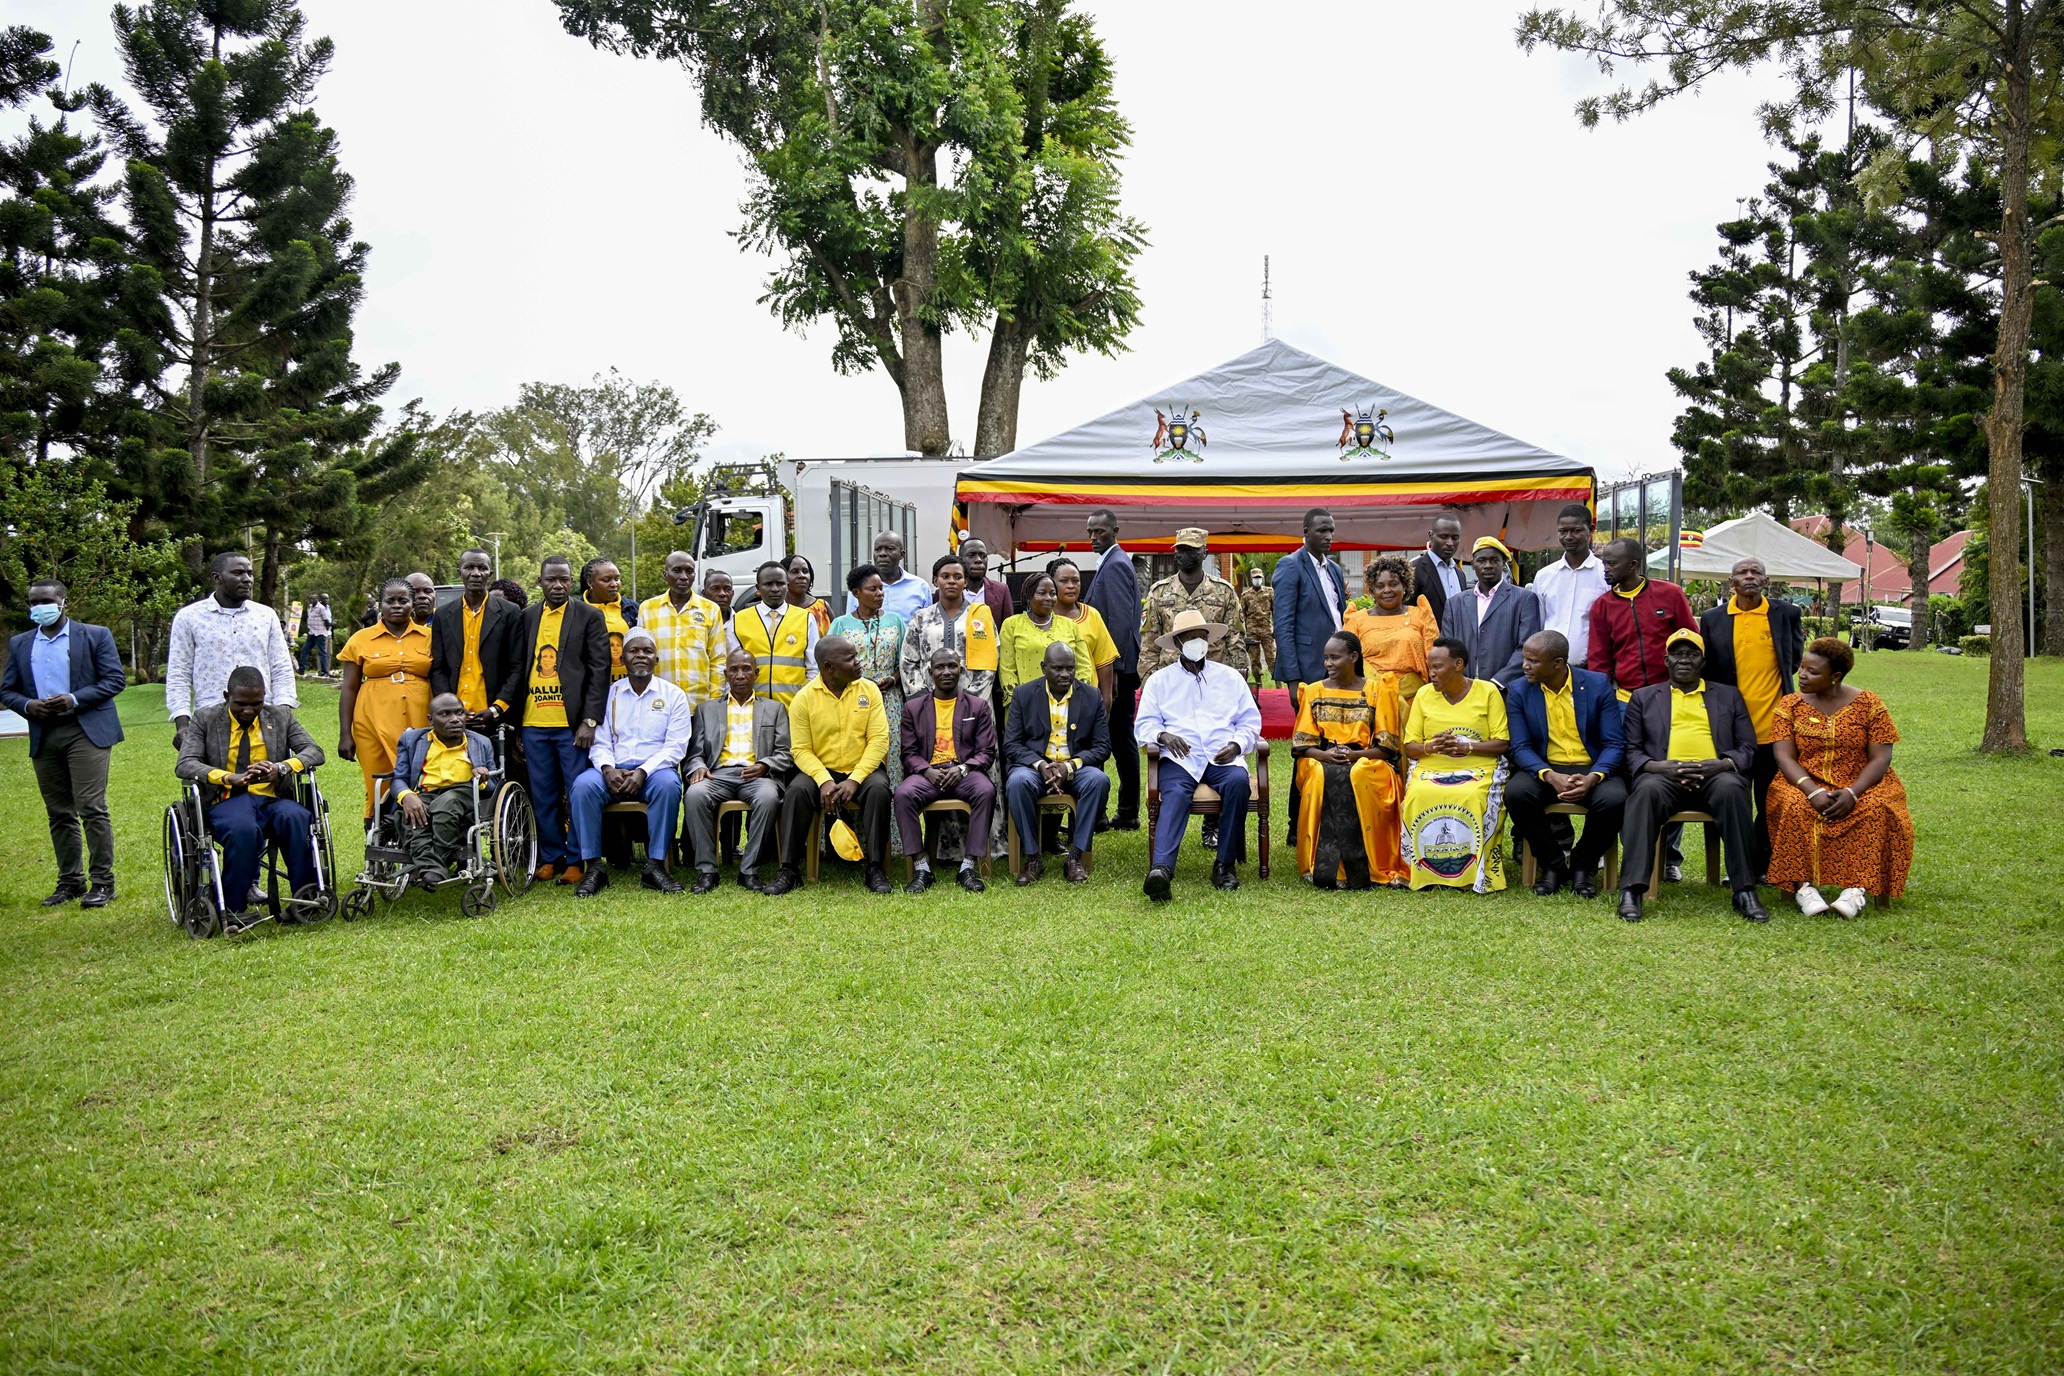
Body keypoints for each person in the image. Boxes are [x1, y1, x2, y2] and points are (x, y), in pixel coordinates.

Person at [1617, 629, 1768, 923]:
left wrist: (1720, 764)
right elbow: (1630, 750)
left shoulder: (1729, 695)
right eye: (1677, 654)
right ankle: (1632, 890)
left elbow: (1748, 748)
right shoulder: (1644, 697)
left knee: (1733, 790)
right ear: (1666, 660)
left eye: (1691, 654)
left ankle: (1744, 890)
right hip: (1663, 776)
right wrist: (1660, 767)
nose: (1683, 660)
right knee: (1644, 792)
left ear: (1703, 661)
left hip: (1716, 775)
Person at [1765, 638, 1913, 916]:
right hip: (1803, 780)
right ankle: (1804, 889)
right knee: (1794, 806)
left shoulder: (1869, 703)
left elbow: (1881, 757)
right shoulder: (1790, 704)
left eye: (1813, 671)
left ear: (1835, 677)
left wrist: (1853, 792)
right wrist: (1811, 791)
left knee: (1876, 808)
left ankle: (1855, 891)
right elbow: (1784, 756)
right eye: (1802, 667)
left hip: (1860, 782)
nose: (1802, 675)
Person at [173, 665, 325, 929]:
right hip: (225, 802)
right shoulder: (205, 718)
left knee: (298, 817)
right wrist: (226, 777)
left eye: (256, 703)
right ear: (226, 696)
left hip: (271, 800)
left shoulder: (279, 716)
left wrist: (281, 768)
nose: (248, 710)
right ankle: (233, 908)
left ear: (264, 697)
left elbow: (314, 751)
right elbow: (185, 764)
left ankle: (306, 900)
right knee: (243, 827)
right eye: (241, 704)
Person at [4, 578, 125, 908]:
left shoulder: (95, 635)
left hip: (86, 729)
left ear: (63, 602)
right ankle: (70, 882)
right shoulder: (20, 643)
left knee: (90, 806)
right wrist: (28, 705)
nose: (38, 607)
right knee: (58, 812)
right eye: (32, 602)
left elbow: (115, 680)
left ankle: (103, 882)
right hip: (44, 732)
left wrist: (74, 698)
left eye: (45, 600)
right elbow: (7, 689)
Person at [1586, 536, 1697, 878]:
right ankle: (1619, 853)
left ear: (1633, 566)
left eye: (1611, 564)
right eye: (1604, 562)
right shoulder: (1602, 606)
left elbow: (1691, 643)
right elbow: (1599, 661)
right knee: (1625, 777)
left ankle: (1668, 859)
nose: (1605, 569)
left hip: (1670, 700)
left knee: (1670, 770)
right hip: (1624, 702)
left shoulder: (1670, 595)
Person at [1135, 609, 1263, 900]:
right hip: (1181, 758)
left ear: (1209, 640)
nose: (1197, 642)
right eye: (1190, 638)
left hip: (1222, 755)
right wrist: (1163, 735)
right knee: (1176, 794)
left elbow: (1249, 721)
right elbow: (1144, 724)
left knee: (1237, 784)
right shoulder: (1159, 681)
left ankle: (1224, 865)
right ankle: (1161, 871)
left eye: (1201, 637)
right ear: (1178, 643)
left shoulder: (1230, 678)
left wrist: (1237, 744)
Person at [1698, 556, 1805, 878]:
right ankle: (1738, 867)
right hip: (1732, 733)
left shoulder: (1786, 614)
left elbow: (1794, 661)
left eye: (1755, 572)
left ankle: (1761, 865)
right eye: (1742, 573)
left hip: (1777, 730)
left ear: (1766, 580)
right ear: (1731, 582)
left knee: (1772, 802)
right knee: (1735, 802)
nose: (1749, 577)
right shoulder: (1713, 619)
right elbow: (1712, 669)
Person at [507, 556, 612, 884]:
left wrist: (590, 720)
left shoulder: (589, 616)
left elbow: (600, 671)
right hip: (534, 722)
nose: (558, 585)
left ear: (572, 582)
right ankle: (551, 856)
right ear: (540, 582)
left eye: (564, 580)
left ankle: (577, 859)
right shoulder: (527, 617)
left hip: (572, 725)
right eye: (551, 579)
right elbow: (519, 666)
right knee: (544, 793)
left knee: (576, 791)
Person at [568, 628, 692, 896]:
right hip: (613, 769)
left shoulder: (674, 695)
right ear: (622, 659)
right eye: (634, 650)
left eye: (647, 651)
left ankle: (655, 866)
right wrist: (608, 768)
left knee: (669, 786)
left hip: (655, 772)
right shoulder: (608, 695)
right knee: (583, 785)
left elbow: (675, 746)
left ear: (656, 660)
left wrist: (644, 772)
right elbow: (600, 741)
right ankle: (594, 868)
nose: (641, 656)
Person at [766, 634, 893, 896]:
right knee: (796, 792)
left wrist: (855, 779)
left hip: (863, 770)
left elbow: (879, 741)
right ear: (828, 667)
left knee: (880, 790)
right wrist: (824, 780)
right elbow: (800, 749)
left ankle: (875, 867)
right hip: (820, 771)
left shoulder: (869, 691)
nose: (859, 663)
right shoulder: (804, 698)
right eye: (850, 659)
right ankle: (788, 869)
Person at [1503, 630, 1626, 899]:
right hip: (1545, 769)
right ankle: (1553, 865)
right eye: (1525, 659)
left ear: (1558, 663)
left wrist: (1594, 777)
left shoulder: (1597, 685)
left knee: (1615, 798)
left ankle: (1584, 865)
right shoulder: (1519, 690)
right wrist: (1548, 775)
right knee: (1516, 793)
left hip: (1591, 767)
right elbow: (1520, 747)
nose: (1525, 666)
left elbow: (1614, 743)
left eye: (1533, 661)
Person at [1291, 631, 1406, 889]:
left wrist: (1355, 756)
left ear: (1353, 657)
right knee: (1320, 774)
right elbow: (1302, 744)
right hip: (1320, 757)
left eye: (1335, 658)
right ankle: (1324, 867)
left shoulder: (1378, 691)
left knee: (1361, 773)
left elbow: (1387, 748)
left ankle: (1368, 867)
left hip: (1367, 758)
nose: (1328, 664)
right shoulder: (1313, 691)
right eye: (1326, 658)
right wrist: (1325, 755)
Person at [1399, 637, 1511, 892]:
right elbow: (1411, 746)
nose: (1431, 673)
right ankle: (1424, 873)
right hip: (1433, 766)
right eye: (1429, 667)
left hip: (1479, 767)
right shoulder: (1424, 694)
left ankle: (1473, 875)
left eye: (1437, 667)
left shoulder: (1487, 692)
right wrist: (1432, 747)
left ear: (1458, 664)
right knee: (1419, 793)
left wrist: (1467, 747)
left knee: (1471, 794)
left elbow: (1501, 743)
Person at [684, 650, 794, 893]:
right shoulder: (707, 709)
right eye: (734, 670)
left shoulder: (775, 709)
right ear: (725, 675)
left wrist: (765, 765)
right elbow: (695, 753)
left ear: (756, 673)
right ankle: (707, 871)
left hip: (758, 774)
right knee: (694, 795)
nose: (740, 675)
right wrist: (699, 767)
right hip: (717, 775)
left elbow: (785, 752)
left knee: (767, 797)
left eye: (746, 669)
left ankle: (749, 870)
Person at [1003, 643, 1111, 886]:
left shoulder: (1092, 696)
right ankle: (1033, 858)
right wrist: (1041, 765)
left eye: (1070, 668)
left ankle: (1074, 857)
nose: (1065, 675)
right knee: (1018, 782)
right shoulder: (1024, 694)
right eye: (1058, 669)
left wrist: (1069, 767)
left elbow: (1102, 747)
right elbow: (1011, 744)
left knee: (1098, 780)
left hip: (1075, 769)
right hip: (1036, 769)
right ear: (1044, 668)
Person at [166, 551, 298, 744]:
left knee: (266, 773)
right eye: (238, 573)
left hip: (262, 719)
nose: (247, 579)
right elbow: (179, 673)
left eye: (250, 573)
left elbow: (281, 667)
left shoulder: (266, 616)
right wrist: (182, 723)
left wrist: (282, 712)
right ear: (217, 578)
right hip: (209, 719)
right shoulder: (189, 618)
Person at [897, 647, 999, 893]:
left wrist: (963, 768)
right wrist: (926, 771)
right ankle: (922, 867)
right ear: (929, 672)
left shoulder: (977, 707)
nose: (946, 672)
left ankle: (968, 867)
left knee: (985, 790)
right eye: (940, 667)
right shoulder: (913, 708)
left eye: (952, 666)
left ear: (961, 669)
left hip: (963, 773)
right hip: (928, 776)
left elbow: (986, 752)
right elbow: (908, 753)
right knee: (902, 795)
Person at [336, 578, 435, 820]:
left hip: (420, 719)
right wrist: (345, 734)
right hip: (372, 722)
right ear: (380, 604)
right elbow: (349, 688)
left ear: (413, 604)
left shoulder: (431, 636)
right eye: (390, 601)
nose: (397, 605)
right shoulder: (361, 639)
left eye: (403, 600)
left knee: (421, 779)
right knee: (377, 782)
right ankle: (376, 835)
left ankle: (420, 837)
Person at [829, 563, 909, 855]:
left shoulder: (896, 622)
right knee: (855, 761)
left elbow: (906, 662)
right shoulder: (840, 625)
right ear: (856, 593)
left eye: (881, 589)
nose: (879, 594)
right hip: (852, 703)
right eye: (872, 589)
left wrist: (893, 678)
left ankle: (893, 844)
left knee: (891, 767)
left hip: (889, 703)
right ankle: (851, 844)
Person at [388, 693, 497, 887]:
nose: (454, 719)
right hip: (427, 792)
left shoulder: (480, 742)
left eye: (459, 713)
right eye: (445, 714)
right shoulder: (413, 739)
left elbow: (493, 787)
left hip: (465, 792)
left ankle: (431, 866)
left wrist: (482, 778)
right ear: (431, 720)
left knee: (447, 803)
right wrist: (407, 796)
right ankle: (433, 870)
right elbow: (398, 779)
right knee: (411, 814)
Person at [1083, 508, 1143, 829]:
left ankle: (1126, 812)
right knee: (1118, 739)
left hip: (1117, 671)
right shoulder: (1110, 562)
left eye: (1100, 532)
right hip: (1114, 669)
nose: (1093, 537)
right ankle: (1116, 811)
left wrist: (1114, 673)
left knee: (1118, 740)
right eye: (1090, 531)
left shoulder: (1117, 565)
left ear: (1115, 531)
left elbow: (1119, 623)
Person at [429, 548, 523, 732]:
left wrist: (496, 708)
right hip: (455, 719)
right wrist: (450, 710)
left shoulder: (510, 612)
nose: (476, 573)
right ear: (459, 573)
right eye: (469, 567)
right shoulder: (443, 615)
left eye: (482, 568)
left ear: (490, 573)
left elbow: (518, 666)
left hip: (494, 715)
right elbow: (438, 668)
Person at [1138, 528, 1245, 679]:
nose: (1185, 555)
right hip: (1171, 677)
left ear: (1205, 553)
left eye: (1192, 550)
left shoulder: (1224, 591)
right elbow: (1149, 645)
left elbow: (1235, 642)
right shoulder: (1159, 592)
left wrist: (1237, 680)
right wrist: (1149, 682)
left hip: (1214, 677)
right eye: (1181, 549)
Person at [1437, 536, 1541, 690]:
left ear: (1503, 564)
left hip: (1507, 690)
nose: (1488, 565)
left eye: (1494, 560)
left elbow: (1527, 647)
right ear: (1472, 564)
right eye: (1481, 560)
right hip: (1463, 690)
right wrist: (1461, 682)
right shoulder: (1455, 603)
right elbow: (1446, 648)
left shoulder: (1524, 599)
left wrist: (1498, 682)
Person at [898, 554, 999, 703]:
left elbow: (989, 662)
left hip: (974, 705)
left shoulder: (980, 617)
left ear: (965, 582)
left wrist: (971, 701)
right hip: (929, 704)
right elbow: (908, 661)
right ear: (935, 580)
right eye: (945, 576)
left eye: (957, 577)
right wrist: (922, 698)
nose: (951, 581)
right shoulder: (921, 618)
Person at [1271, 507, 1349, 698]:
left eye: (1331, 531)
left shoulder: (1335, 569)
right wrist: (1293, 678)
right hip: (1308, 668)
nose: (1329, 536)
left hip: (1341, 666)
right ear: (1306, 532)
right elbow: (1283, 625)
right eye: (1322, 530)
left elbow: (1339, 616)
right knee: (1309, 728)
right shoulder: (1290, 565)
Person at [997, 572, 1092, 724]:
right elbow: (1007, 669)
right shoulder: (1012, 625)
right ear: (1028, 596)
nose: (1049, 598)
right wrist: (1019, 703)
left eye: (1053, 594)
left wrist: (1076, 700)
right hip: (1025, 708)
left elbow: (1084, 666)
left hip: (1066, 706)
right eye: (1042, 593)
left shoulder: (1070, 626)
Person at [1342, 554, 1440, 700]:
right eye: (1380, 586)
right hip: (1369, 702)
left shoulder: (1420, 615)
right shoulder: (1357, 619)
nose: (1387, 590)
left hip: (1414, 701)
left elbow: (1434, 659)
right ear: (1372, 591)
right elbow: (1345, 663)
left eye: (1393, 584)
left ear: (1405, 586)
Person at [640, 550, 726, 707]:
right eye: (677, 570)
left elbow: (718, 658)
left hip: (699, 704)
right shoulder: (647, 609)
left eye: (689, 571)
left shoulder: (711, 609)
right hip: (659, 704)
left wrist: (715, 699)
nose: (684, 577)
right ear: (665, 574)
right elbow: (642, 658)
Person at [1531, 503, 1610, 668]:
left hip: (1590, 669)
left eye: (1576, 531)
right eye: (1562, 531)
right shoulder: (1544, 576)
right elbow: (1539, 622)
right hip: (1549, 669)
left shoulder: (1605, 574)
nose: (1568, 537)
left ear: (1591, 530)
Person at [729, 560, 819, 704]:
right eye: (768, 584)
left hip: (793, 706)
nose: (775, 589)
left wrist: (806, 701)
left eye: (780, 584)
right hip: (753, 706)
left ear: (787, 586)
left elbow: (813, 668)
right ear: (758, 588)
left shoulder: (805, 618)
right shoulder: (739, 620)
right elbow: (731, 666)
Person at [1049, 557, 1119, 712]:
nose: (1071, 586)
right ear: (1051, 583)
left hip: (1086, 703)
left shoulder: (1092, 615)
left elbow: (1104, 662)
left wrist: (1105, 703)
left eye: (1075, 581)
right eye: (1064, 581)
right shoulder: (1042, 618)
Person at [579, 557, 637, 682]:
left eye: (617, 579)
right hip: (591, 688)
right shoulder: (576, 610)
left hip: (628, 687)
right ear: (590, 583)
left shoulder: (633, 609)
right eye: (606, 580)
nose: (614, 584)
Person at [860, 531, 933, 622]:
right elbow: (849, 625)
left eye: (889, 549)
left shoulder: (920, 586)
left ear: (902, 554)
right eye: (877, 549)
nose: (882, 554)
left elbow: (927, 625)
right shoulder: (860, 585)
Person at [1410, 514, 1467, 627]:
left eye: (1455, 538)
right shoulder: (1414, 570)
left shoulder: (1460, 575)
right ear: (1431, 536)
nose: (1450, 543)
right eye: (1444, 537)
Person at [959, 537, 1014, 627]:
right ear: (961, 560)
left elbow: (1008, 629)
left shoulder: (1002, 591)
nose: (979, 560)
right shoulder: (947, 591)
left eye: (983, 556)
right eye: (971, 555)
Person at [1239, 568, 1276, 687]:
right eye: (1255, 578)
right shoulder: (1245, 595)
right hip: (1252, 631)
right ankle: (1258, 684)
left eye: (1259, 577)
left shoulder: (1269, 592)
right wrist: (1242, 631)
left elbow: (1276, 611)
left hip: (1267, 630)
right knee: (1254, 660)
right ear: (1251, 578)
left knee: (1272, 658)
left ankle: (1278, 683)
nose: (1257, 580)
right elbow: (1242, 614)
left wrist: (1277, 628)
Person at [785, 555, 834, 637]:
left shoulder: (822, 607)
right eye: (794, 571)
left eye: (805, 571)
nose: (802, 576)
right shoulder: (777, 610)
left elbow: (837, 640)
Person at [299, 594, 332, 676]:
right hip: (311, 633)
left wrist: (326, 630)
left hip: (320, 633)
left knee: (322, 652)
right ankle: (301, 669)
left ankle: (325, 671)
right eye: (310, 599)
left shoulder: (321, 608)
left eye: (313, 599)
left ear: (317, 599)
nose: (311, 600)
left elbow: (326, 621)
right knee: (304, 650)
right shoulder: (310, 607)